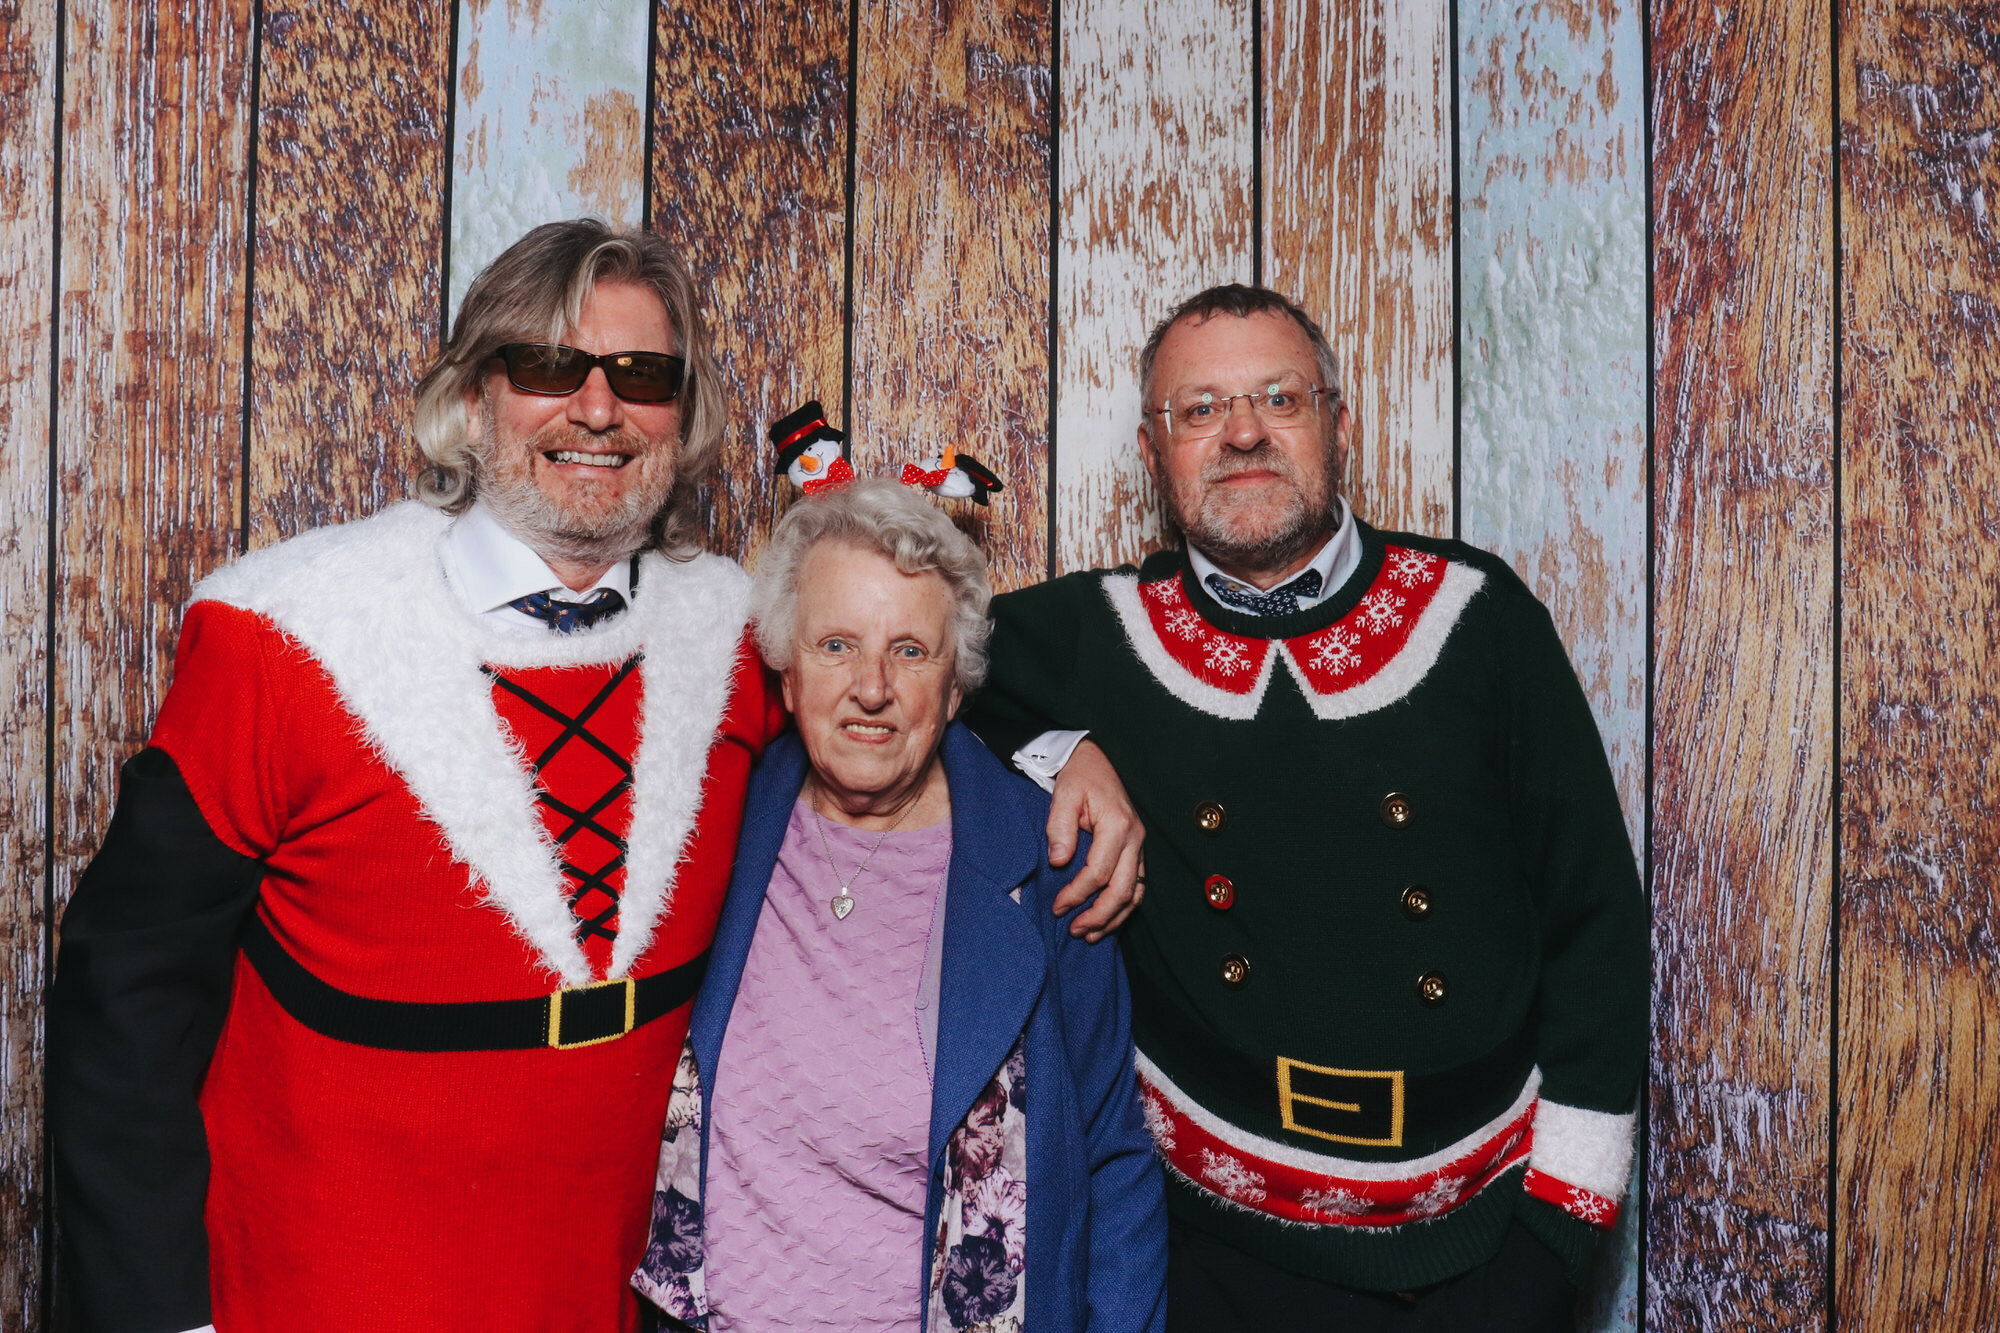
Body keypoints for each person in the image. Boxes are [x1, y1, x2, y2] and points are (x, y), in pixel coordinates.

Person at [48, 219, 792, 1333]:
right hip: (316, 1292)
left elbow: (913, 697)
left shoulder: (741, 633)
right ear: (472, 396)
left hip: (601, 1296)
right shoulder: (282, 632)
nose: (597, 409)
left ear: (682, 421)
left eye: (641, 375)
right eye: (548, 365)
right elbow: (123, 1008)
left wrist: (1059, 759)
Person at [967, 284, 1648, 1330]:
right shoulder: (1094, 631)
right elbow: (879, 672)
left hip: (1484, 1252)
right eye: (1197, 410)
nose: (1240, 432)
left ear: (1338, 423)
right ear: (1154, 455)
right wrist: (1069, 748)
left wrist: (1558, 1237)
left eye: (1277, 397)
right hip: (1209, 1258)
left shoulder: (1477, 614)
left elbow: (1594, 925)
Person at [631, 479, 1168, 1332]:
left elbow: (1114, 1158)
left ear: (956, 687)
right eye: (838, 644)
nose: (872, 687)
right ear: (788, 669)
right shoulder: (719, 812)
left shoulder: (1050, 859)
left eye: (911, 651)